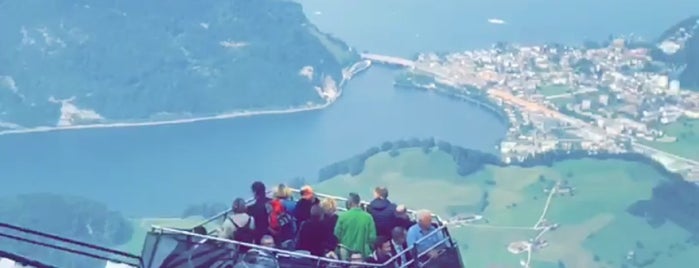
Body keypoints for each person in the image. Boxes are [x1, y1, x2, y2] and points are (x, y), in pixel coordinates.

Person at [334, 193, 376, 258]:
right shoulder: (368, 217)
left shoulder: (342, 216)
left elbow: (336, 235)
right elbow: (372, 238)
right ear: (358, 202)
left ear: (349, 203)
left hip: (345, 253)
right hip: (362, 253)